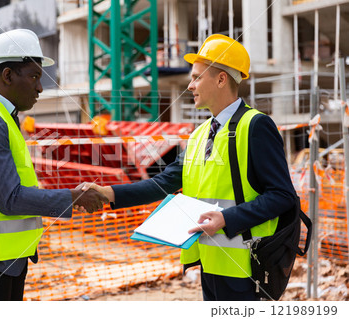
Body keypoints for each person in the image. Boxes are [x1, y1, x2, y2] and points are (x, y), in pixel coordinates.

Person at [77, 34, 297, 301]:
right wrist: (109, 193)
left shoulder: (256, 126)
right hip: (210, 263)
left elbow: (282, 196)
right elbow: (165, 181)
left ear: (221, 79)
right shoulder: (200, 134)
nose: (190, 86)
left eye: (196, 77)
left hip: (246, 268)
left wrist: (227, 220)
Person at [0, 29, 108, 301]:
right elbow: (10, 198)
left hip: (1, 257)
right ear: (7, 75)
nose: (40, 87)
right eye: (34, 76)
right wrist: (73, 196)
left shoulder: (3, 117)